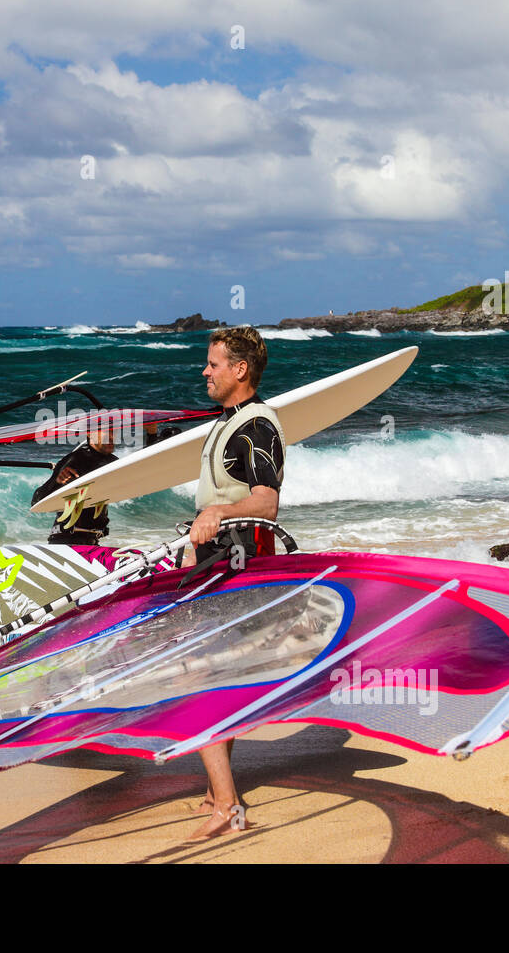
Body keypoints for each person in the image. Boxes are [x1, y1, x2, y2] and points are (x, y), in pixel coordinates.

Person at [183, 325, 285, 839]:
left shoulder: (256, 426)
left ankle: (227, 804)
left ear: (239, 370)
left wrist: (219, 512)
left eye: (214, 363)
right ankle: (214, 789)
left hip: (236, 560)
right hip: (218, 556)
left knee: (199, 672)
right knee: (218, 671)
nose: (205, 370)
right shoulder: (230, 421)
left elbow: (266, 502)